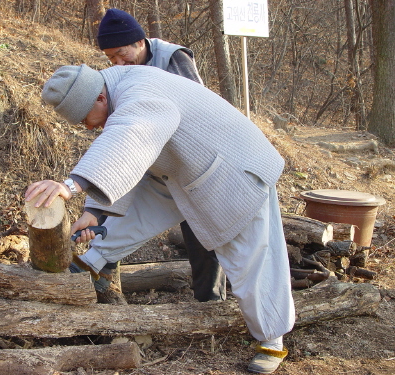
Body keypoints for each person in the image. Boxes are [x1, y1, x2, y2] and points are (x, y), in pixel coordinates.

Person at [25, 63, 296, 374]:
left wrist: (71, 185)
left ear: (100, 98)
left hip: (234, 172)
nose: (87, 128)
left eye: (86, 119)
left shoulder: (140, 93)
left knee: (251, 257)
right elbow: (131, 158)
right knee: (130, 211)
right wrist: (93, 212)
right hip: (183, 170)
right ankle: (91, 263)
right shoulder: (115, 89)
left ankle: (272, 339)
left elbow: (129, 138)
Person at [86, 7, 226, 304]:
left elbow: (195, 110)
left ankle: (210, 303)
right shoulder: (117, 75)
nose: (119, 63)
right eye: (111, 58)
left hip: (192, 162)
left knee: (201, 233)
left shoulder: (174, 59)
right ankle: (102, 270)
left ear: (140, 42)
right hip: (149, 157)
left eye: (122, 54)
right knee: (117, 204)